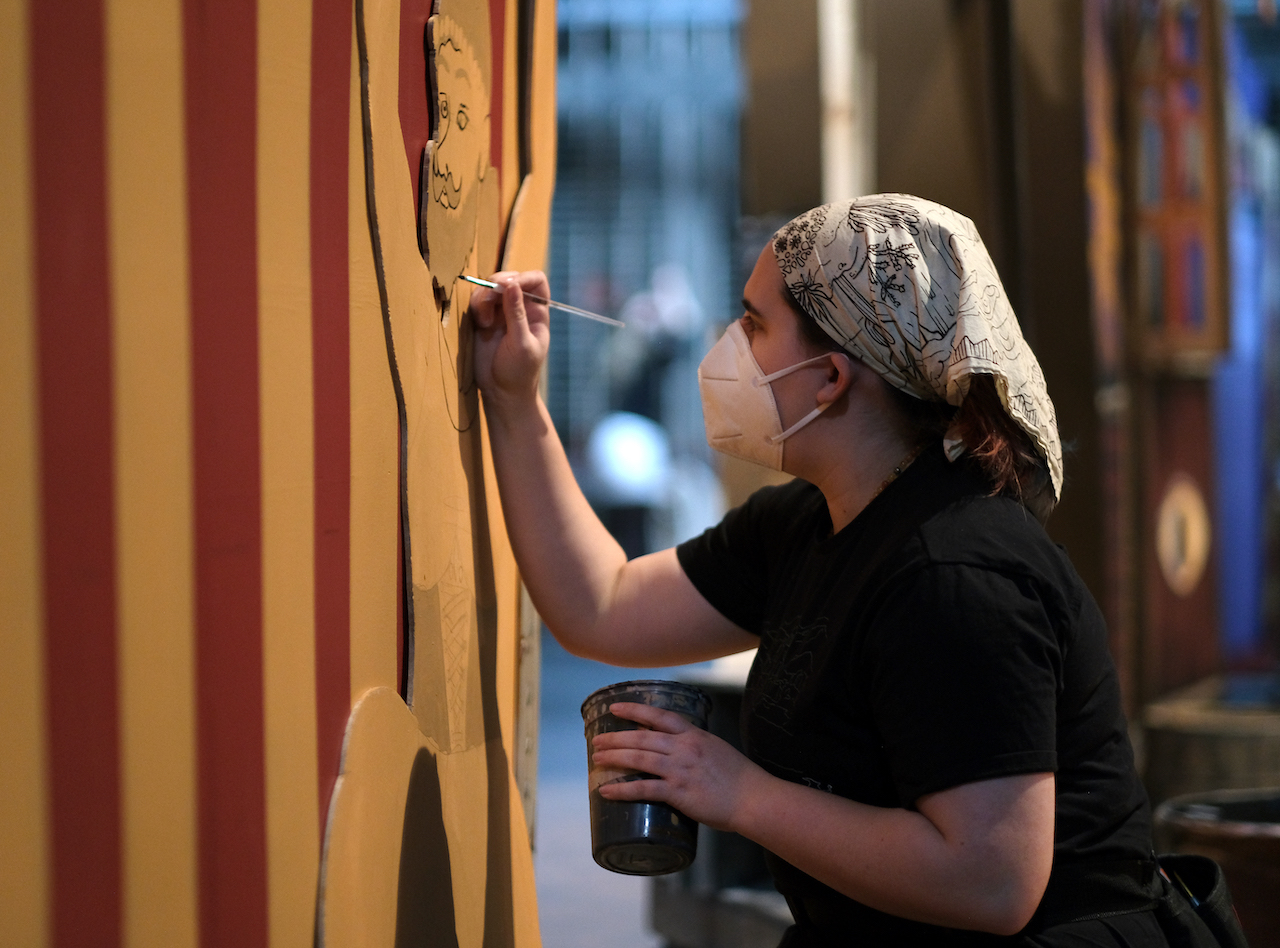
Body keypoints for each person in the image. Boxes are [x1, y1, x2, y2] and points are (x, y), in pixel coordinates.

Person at [469, 195, 1164, 946]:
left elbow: (991, 882)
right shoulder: (806, 521)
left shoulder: (956, 569)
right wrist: (514, 400)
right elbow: (599, 604)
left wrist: (737, 792)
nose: (728, 343)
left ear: (830, 378)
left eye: (754, 323)